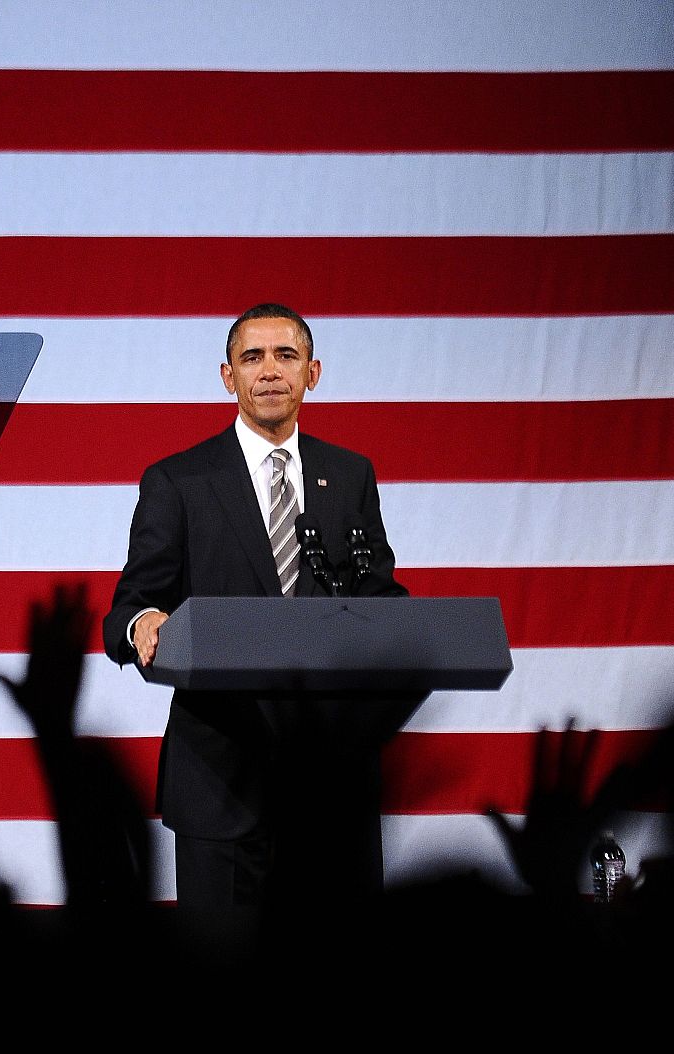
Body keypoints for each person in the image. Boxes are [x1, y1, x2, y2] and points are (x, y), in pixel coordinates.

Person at [102, 303, 414, 940]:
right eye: (252, 358)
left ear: (313, 372)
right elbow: (130, 606)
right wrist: (143, 624)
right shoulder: (179, 480)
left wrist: (413, 630)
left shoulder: (350, 474)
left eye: (286, 356)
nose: (269, 372)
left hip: (332, 781)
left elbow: (377, 591)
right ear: (227, 376)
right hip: (222, 776)